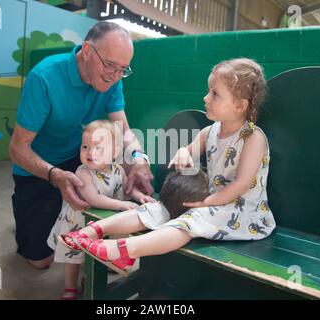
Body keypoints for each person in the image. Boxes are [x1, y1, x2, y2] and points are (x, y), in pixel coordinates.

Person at [61, 58, 277, 276]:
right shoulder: (210, 132)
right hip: (212, 202)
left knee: (190, 220)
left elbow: (241, 184)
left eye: (215, 94)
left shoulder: (252, 138)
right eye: (208, 91)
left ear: (240, 105)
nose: (206, 97)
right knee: (159, 207)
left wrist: (206, 202)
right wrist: (184, 152)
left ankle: (125, 251)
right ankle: (91, 231)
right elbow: (189, 149)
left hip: (242, 213)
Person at [9, 21, 153, 270]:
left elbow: (125, 132)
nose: (115, 76)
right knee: (41, 260)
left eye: (123, 69)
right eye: (110, 65)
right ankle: (27, 209)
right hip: (41, 168)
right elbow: (17, 148)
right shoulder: (44, 77)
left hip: (81, 159)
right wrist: (54, 175)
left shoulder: (113, 80)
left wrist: (139, 159)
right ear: (87, 50)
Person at [47, 120, 154, 299]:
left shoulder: (118, 170)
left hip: (103, 223)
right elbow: (93, 198)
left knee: (96, 256)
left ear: (115, 152)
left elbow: (127, 188)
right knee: (73, 258)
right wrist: (121, 205)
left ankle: (88, 279)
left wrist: (138, 196)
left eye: (99, 148)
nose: (90, 153)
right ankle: (70, 288)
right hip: (78, 223)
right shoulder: (83, 172)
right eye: (85, 146)